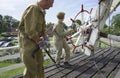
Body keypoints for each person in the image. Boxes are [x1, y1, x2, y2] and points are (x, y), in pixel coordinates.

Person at [18, 0, 54, 78]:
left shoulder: (42, 11)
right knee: (31, 70)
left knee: (40, 67)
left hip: (37, 44)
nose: (52, 6)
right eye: (51, 3)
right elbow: (30, 31)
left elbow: (43, 28)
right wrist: (40, 41)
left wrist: (45, 37)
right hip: (29, 45)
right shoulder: (34, 8)